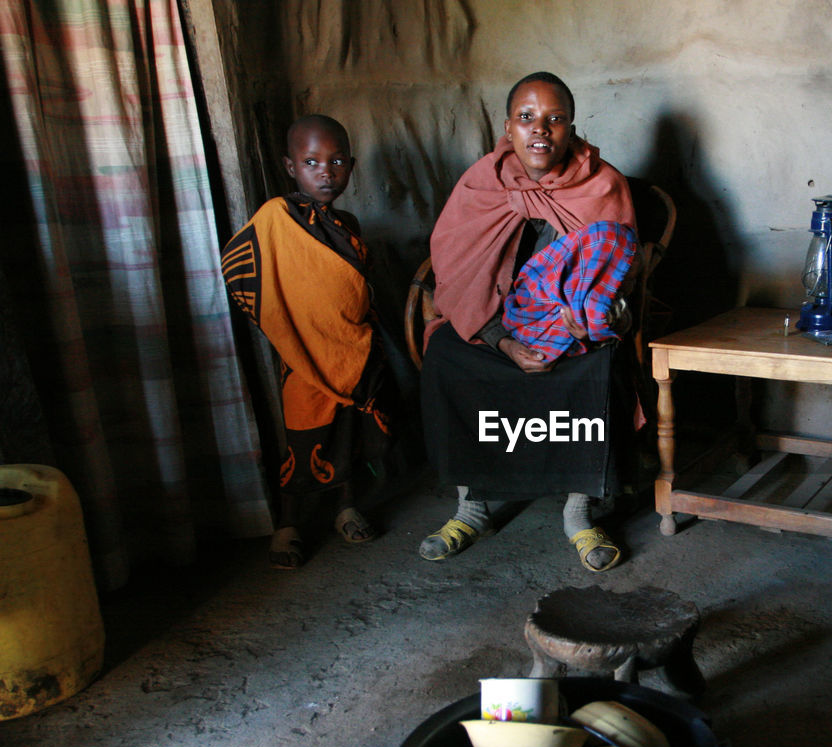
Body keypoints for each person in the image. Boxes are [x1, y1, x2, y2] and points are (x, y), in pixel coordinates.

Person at [418, 71, 639, 572]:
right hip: (496, 328)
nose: (541, 130)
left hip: (569, 331)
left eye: (555, 119)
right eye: (527, 118)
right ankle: (471, 508)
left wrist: (594, 321)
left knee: (601, 363)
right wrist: (500, 342)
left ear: (572, 128)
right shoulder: (480, 183)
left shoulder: (602, 185)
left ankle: (578, 513)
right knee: (446, 354)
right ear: (508, 128)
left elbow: (623, 279)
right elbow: (455, 275)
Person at [221, 115, 393, 568]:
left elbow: (354, 285)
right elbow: (239, 263)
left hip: (351, 348)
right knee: (302, 438)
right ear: (290, 167)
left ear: (351, 166)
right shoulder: (277, 218)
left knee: (349, 430)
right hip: (301, 353)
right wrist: (281, 323)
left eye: (337, 161)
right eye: (311, 161)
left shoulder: (348, 221)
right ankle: (288, 524)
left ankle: (345, 507)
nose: (326, 171)